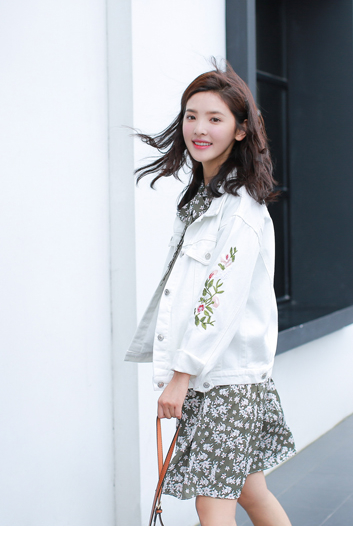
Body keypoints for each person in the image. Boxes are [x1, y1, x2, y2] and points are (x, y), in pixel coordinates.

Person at [125, 60, 296, 526]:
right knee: (251, 492)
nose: (199, 128)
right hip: (221, 377)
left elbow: (218, 301)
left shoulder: (238, 211)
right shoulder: (205, 198)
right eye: (191, 116)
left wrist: (181, 375)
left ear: (240, 130)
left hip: (226, 381)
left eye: (214, 118)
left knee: (212, 505)